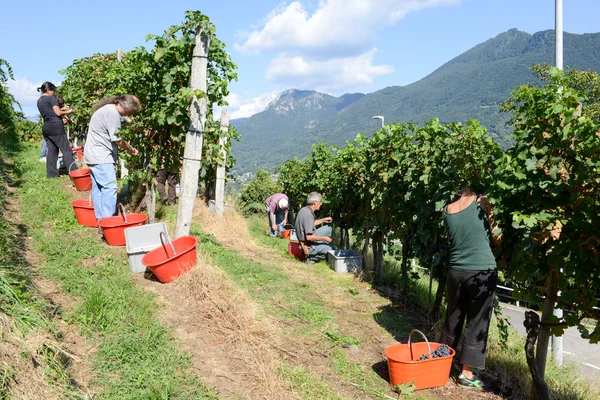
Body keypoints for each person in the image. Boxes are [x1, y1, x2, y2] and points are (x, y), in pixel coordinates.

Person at [439, 187, 499, 389]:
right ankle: (466, 374)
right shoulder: (483, 203)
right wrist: (490, 212)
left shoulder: (447, 210)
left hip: (456, 271)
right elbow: (497, 236)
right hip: (482, 271)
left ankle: (442, 364)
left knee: (453, 317)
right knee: (477, 321)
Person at [84, 95, 140, 225]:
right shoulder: (112, 113)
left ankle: (101, 221)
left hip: (92, 154)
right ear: (127, 108)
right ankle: (109, 222)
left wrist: (139, 127)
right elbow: (118, 140)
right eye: (131, 112)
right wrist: (132, 150)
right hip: (101, 156)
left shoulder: (110, 109)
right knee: (110, 188)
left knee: (99, 188)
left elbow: (127, 121)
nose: (131, 114)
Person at [36, 82, 77, 177]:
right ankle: (74, 172)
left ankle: (51, 175)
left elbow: (50, 112)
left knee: (52, 151)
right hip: (56, 127)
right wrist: (69, 111)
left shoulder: (40, 100)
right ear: (48, 90)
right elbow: (57, 113)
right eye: (53, 90)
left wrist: (62, 109)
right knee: (66, 150)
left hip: (46, 127)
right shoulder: (51, 99)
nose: (54, 92)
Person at [294, 192, 334, 263]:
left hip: (306, 240)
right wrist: (324, 238)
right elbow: (309, 237)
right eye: (320, 202)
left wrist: (323, 220)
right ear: (315, 202)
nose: (321, 204)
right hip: (308, 245)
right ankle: (311, 258)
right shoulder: (308, 215)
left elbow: (310, 224)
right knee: (333, 250)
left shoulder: (304, 210)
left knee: (328, 228)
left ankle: (322, 246)